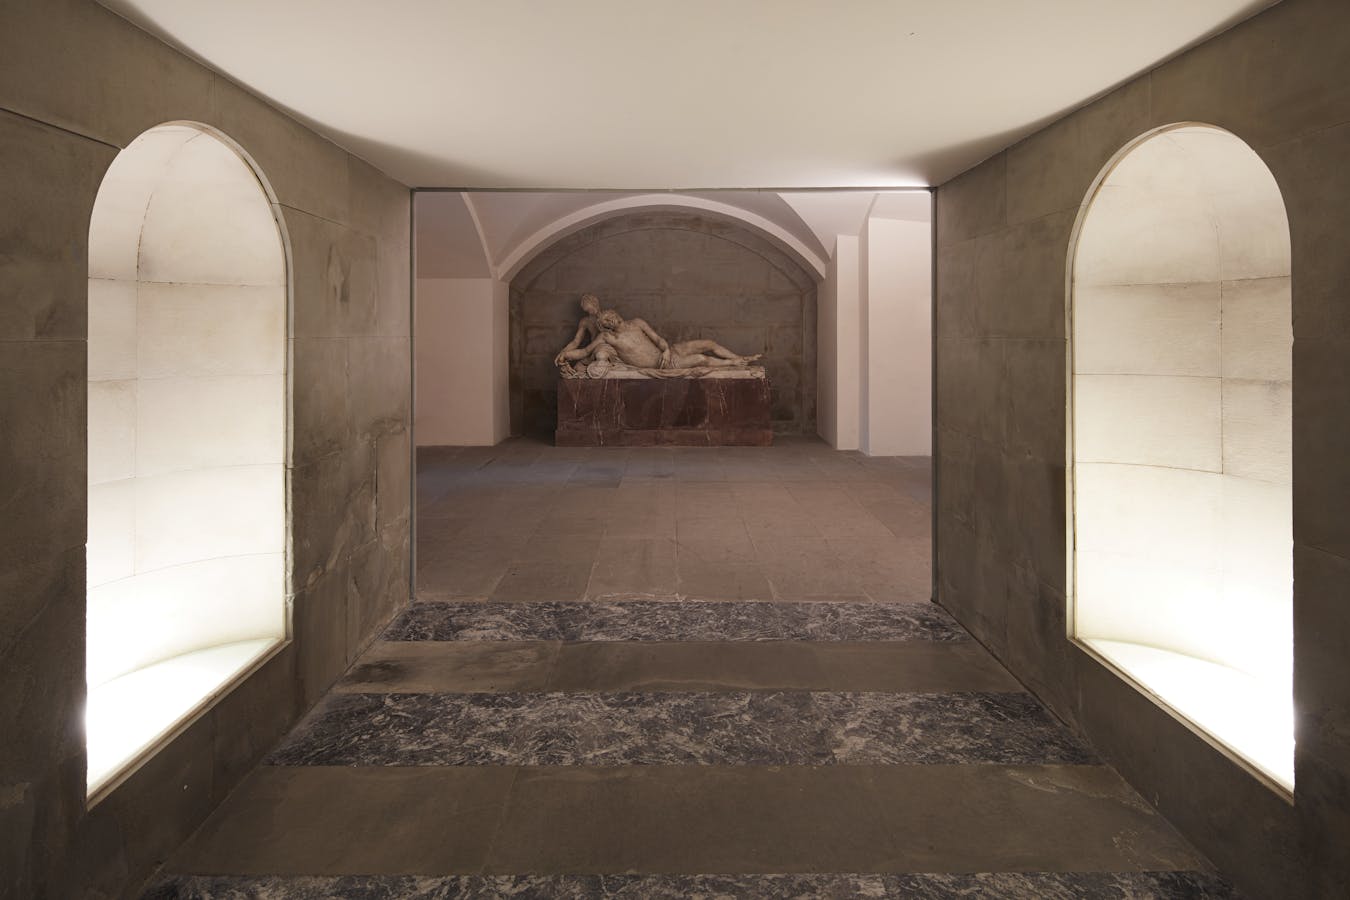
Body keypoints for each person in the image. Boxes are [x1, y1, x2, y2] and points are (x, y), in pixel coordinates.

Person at [560, 307, 760, 370]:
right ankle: (734, 363)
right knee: (701, 359)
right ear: (605, 326)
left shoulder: (637, 322)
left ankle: (739, 357)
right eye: (606, 319)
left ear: (616, 313)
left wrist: (665, 350)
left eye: (611, 314)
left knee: (708, 343)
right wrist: (564, 355)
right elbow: (584, 351)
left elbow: (658, 339)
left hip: (668, 352)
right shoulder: (608, 338)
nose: (611, 318)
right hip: (664, 365)